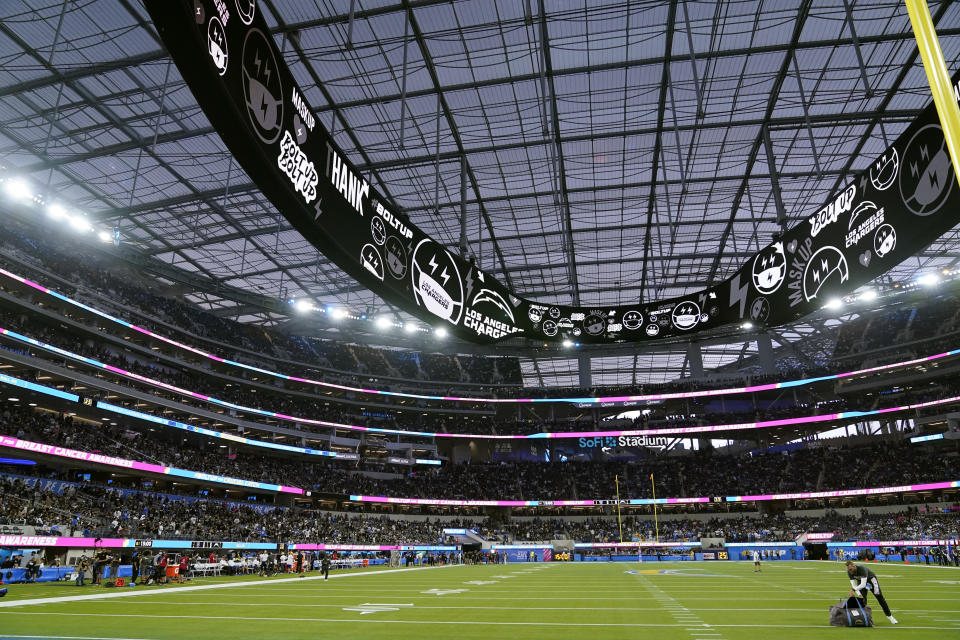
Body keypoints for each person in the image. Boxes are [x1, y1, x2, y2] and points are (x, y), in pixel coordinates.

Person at [846, 560, 897, 625]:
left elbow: (863, 584)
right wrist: (859, 594)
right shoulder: (849, 572)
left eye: (850, 569)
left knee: (880, 598)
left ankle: (890, 617)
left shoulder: (862, 569)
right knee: (862, 601)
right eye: (848, 569)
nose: (850, 571)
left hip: (871, 580)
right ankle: (866, 619)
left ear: (854, 566)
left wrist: (853, 590)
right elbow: (854, 584)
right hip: (861, 581)